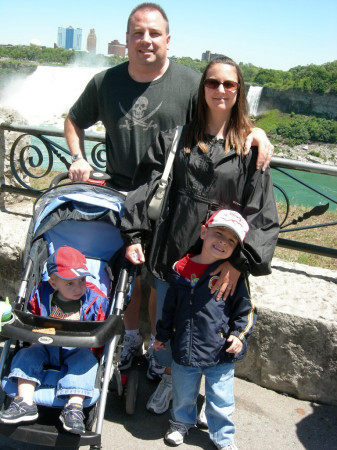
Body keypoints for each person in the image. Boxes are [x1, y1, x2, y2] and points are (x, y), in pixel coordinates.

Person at [64, 3, 274, 384]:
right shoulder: (105, 82)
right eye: (138, 33)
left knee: (161, 279)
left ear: (168, 39)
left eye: (154, 33)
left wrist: (255, 132)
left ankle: (159, 348)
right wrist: (77, 156)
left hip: (171, 197)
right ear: (127, 39)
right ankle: (130, 340)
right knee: (128, 277)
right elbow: (73, 119)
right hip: (123, 190)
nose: (146, 40)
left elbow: (224, 107)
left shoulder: (192, 83)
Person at [121, 55, 279, 416]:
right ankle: (165, 374)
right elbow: (146, 185)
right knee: (166, 318)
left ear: (239, 92)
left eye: (229, 84)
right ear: (202, 88)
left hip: (220, 257)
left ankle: (190, 386)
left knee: (205, 326)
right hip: (174, 248)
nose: (220, 90)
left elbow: (261, 213)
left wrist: (238, 265)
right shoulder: (177, 136)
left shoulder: (250, 148)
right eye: (213, 83)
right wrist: (133, 235)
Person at [153, 209, 256, 449]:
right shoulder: (181, 267)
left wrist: (239, 335)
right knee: (183, 393)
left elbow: (246, 309)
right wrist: (162, 335)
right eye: (218, 233)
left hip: (219, 351)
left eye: (231, 240)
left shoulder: (233, 275)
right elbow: (169, 308)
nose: (222, 242)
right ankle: (180, 422)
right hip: (183, 348)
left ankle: (223, 435)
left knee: (221, 398)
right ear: (203, 232)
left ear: (236, 248)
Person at [0, 246, 110, 435]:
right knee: (26, 354)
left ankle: (74, 407)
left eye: (82, 280)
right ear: (53, 283)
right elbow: (32, 316)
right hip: (44, 343)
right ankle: (25, 401)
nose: (79, 287)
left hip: (77, 348)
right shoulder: (40, 294)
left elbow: (101, 327)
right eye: (70, 283)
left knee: (86, 362)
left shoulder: (95, 299)